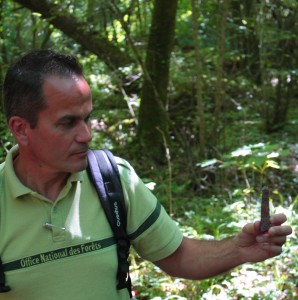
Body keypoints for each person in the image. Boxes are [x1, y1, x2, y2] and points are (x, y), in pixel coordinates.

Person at [0, 49, 292, 300]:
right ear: (21, 129)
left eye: (87, 118)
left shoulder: (112, 180)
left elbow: (179, 256)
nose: (86, 135)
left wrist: (239, 250)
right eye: (68, 123)